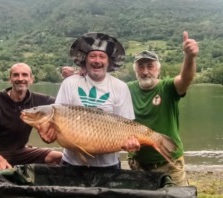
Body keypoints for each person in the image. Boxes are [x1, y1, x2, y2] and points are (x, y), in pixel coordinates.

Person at [37, 32, 140, 169]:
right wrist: (49, 134)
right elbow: (56, 119)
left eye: (102, 56)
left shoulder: (120, 87)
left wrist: (130, 143)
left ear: (108, 62)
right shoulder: (70, 83)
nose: (97, 60)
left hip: (109, 165)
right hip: (72, 163)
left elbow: (127, 125)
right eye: (92, 56)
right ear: (85, 60)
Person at [0, 63, 62, 185]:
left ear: (31, 79)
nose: (20, 78)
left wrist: (79, 74)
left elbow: (64, 103)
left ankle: (18, 175)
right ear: (10, 79)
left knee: (59, 157)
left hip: (21, 152)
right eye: (16, 75)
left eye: (25, 75)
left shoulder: (40, 100)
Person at [127, 31, 199, 186]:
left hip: (169, 163)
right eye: (141, 67)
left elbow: (186, 78)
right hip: (138, 164)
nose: (145, 71)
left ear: (158, 70)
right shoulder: (126, 90)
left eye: (150, 66)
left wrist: (190, 57)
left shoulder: (168, 87)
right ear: (135, 70)